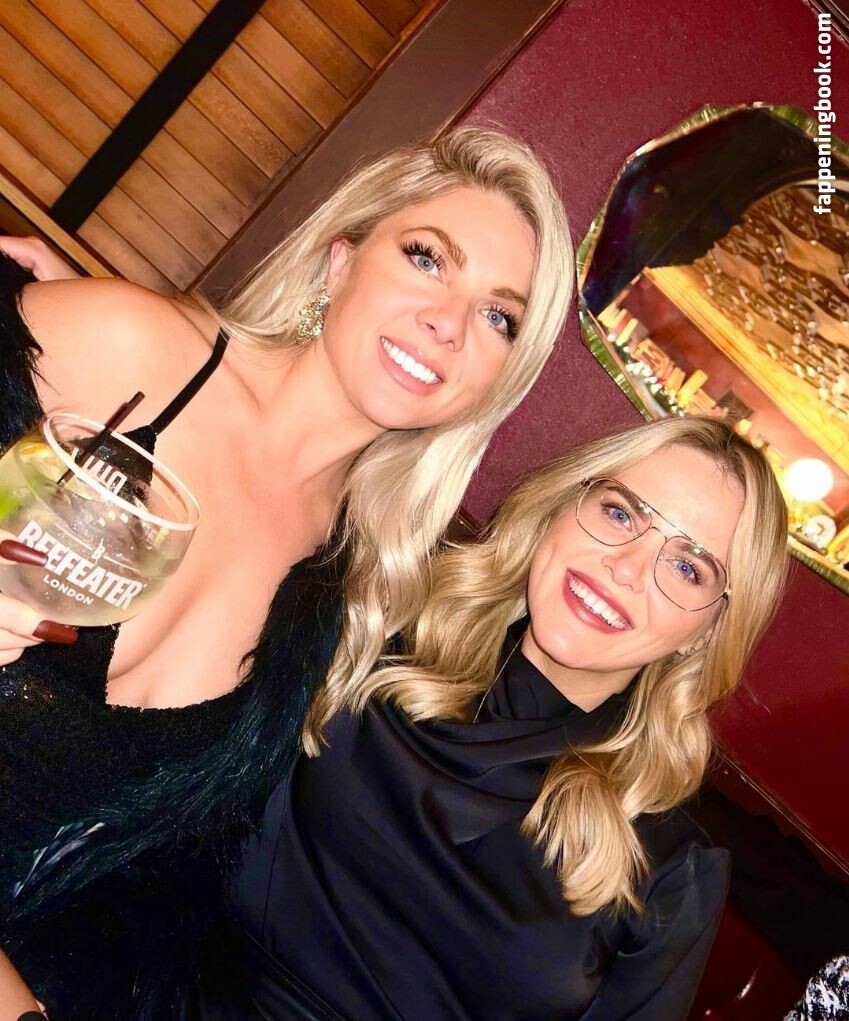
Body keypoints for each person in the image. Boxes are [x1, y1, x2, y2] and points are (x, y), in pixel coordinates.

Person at [0, 126, 573, 1017]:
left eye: (498, 317)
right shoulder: (122, 355)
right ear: (340, 261)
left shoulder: (344, 606)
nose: (449, 322)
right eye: (426, 258)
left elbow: (146, 888)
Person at [176, 413, 788, 1020]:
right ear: (564, 506)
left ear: (705, 632)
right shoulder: (372, 630)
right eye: (621, 514)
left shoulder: (672, 869)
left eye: (687, 568)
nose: (625, 568)